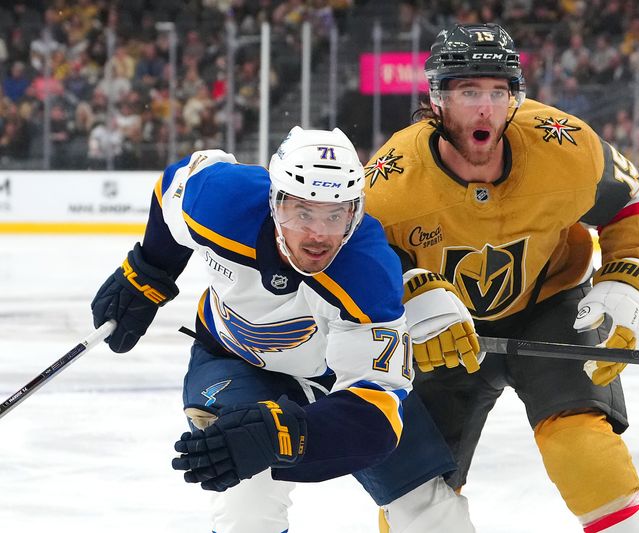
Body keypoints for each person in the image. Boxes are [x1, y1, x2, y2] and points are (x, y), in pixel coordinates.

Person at [89, 127, 476, 533]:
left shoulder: (368, 271)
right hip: (235, 362)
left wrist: (282, 435)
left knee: (432, 513)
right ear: (274, 202)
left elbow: (378, 417)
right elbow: (174, 185)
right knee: (247, 506)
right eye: (301, 212)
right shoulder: (221, 200)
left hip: (336, 386)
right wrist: (147, 270)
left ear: (356, 212)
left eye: (335, 214)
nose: (318, 236)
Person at [365, 23, 639, 532]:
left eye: (497, 92)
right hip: (445, 331)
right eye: (469, 92)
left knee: (584, 449)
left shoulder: (564, 145)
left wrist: (627, 278)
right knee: (418, 495)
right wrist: (407, 290)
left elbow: (629, 200)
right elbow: (360, 257)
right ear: (437, 100)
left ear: (514, 98)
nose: (485, 108)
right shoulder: (391, 179)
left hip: (550, 308)